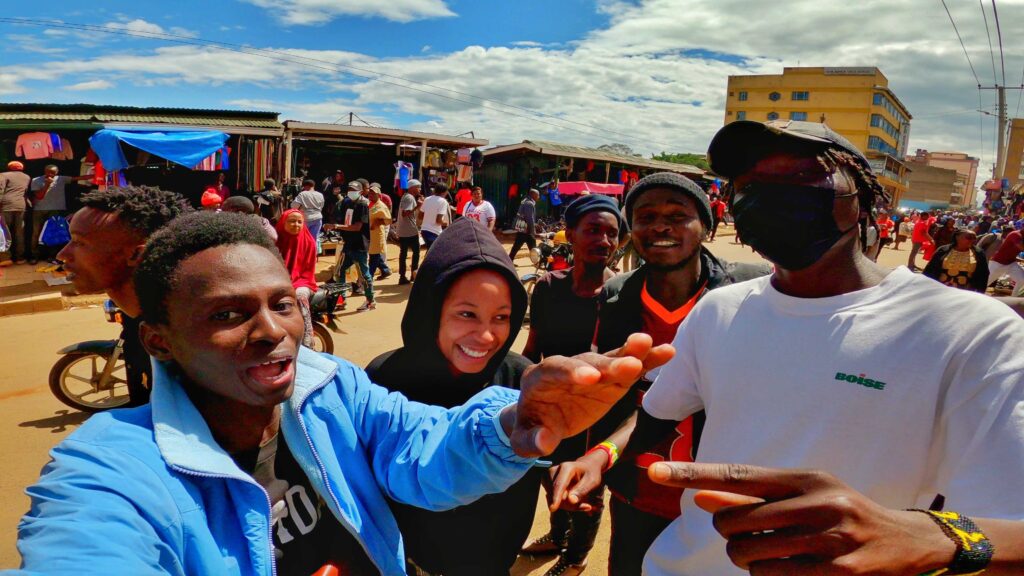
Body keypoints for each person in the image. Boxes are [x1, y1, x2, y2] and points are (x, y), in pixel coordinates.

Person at [16, 210, 674, 575]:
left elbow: (425, 449)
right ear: (157, 341)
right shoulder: (111, 471)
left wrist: (513, 426)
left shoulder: (331, 389)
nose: (271, 331)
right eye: (227, 314)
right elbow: (86, 547)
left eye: (283, 304)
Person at [554, 119, 1024, 576]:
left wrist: (929, 540)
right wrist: (599, 456)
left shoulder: (972, 332)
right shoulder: (720, 310)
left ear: (859, 197)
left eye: (803, 175)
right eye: (750, 183)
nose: (771, 195)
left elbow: (1009, 527)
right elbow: (657, 414)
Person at [550, 173, 770, 576]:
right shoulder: (617, 296)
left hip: (718, 498)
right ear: (631, 230)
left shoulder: (748, 291)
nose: (661, 226)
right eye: (646, 216)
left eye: (677, 215)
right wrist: (600, 456)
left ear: (706, 226)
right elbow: (617, 395)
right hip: (639, 491)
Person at [366, 217, 539, 575]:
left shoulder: (521, 378)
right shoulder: (384, 378)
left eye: (501, 317)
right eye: (466, 314)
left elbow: (552, 453)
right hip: (409, 560)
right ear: (432, 310)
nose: (487, 337)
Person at [520, 194, 623, 576]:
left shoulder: (620, 294)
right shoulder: (548, 286)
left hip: (597, 413)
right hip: (551, 407)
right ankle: (557, 534)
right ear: (572, 236)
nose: (604, 241)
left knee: (587, 487)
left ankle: (576, 558)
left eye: (613, 234)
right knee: (548, 472)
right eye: (593, 230)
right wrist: (523, 396)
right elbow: (534, 348)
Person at [56, 185, 192, 407]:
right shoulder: (136, 320)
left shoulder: (183, 346)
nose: (62, 255)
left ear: (138, 254)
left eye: (80, 243)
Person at [27, 164, 90, 264]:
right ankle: (34, 256)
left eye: (53, 172)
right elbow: (39, 196)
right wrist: (47, 184)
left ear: (57, 172)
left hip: (55, 209)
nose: (50, 174)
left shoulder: (61, 179)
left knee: (55, 233)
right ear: (44, 171)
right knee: (36, 233)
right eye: (48, 171)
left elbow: (76, 178)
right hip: (40, 210)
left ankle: (52, 256)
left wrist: (95, 176)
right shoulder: (36, 180)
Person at [274, 209, 319, 347]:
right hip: (278, 280)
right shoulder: (274, 243)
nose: (296, 225)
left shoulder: (309, 241)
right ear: (283, 223)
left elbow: (307, 271)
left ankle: (307, 341)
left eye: (300, 222)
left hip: (302, 282)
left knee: (299, 296)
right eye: (292, 221)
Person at [332, 181, 375, 311]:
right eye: (349, 189)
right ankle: (341, 299)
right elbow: (345, 220)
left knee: (364, 274)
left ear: (361, 191)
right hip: (348, 243)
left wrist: (337, 226)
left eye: (354, 189)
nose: (351, 191)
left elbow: (357, 227)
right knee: (340, 271)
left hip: (360, 245)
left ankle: (370, 301)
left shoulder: (363, 205)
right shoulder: (347, 202)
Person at [923, 227, 989, 292]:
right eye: (969, 237)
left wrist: (979, 292)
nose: (972, 240)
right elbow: (930, 269)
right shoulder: (943, 250)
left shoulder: (979, 253)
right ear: (957, 237)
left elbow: (983, 274)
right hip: (940, 288)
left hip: (965, 291)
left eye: (974, 238)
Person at [0, 160, 31, 265]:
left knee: (4, 232)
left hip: (6, 206)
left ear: (9, 167)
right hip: (21, 206)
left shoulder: (3, 175)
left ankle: (5, 258)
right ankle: (20, 258)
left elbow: (0, 190)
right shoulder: (27, 177)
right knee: (19, 232)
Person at [396, 179, 423, 285]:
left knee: (403, 253)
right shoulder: (410, 198)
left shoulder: (406, 196)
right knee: (416, 252)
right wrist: (418, 206)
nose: (420, 189)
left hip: (403, 230)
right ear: (412, 187)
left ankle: (403, 276)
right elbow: (405, 213)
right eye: (418, 187)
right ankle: (413, 274)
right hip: (410, 230)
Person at [986, 222, 1024, 295]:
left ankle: (1013, 299)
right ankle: (973, 297)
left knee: (1022, 280)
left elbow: (1012, 253)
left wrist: (1021, 260)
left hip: (1011, 263)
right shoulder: (1015, 234)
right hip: (997, 263)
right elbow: (1021, 247)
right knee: (984, 283)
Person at [366, 183, 392, 281]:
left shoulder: (381, 206)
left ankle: (368, 278)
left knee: (373, 257)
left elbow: (388, 220)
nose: (371, 195)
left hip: (376, 234)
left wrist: (378, 222)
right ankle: (385, 270)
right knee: (374, 255)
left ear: (378, 195)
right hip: (370, 234)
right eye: (370, 193)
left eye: (373, 194)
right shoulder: (369, 204)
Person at [509, 188, 539, 262]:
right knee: (524, 246)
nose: (538, 197)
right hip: (526, 229)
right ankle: (536, 261)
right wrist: (533, 230)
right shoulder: (529, 203)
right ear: (533, 195)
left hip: (523, 228)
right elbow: (529, 218)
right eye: (538, 195)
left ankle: (510, 260)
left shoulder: (526, 201)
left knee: (530, 245)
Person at [291, 179, 325, 244]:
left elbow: (294, 206)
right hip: (318, 218)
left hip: (306, 219)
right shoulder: (320, 195)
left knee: (303, 238)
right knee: (314, 239)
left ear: (305, 186)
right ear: (313, 186)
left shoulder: (302, 194)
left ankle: (304, 253)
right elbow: (321, 207)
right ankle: (313, 253)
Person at [419, 183, 450, 249]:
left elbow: (420, 216)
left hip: (424, 230)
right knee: (433, 253)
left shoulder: (427, 199)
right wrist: (445, 223)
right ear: (444, 192)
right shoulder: (443, 201)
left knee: (430, 252)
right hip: (434, 232)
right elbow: (438, 221)